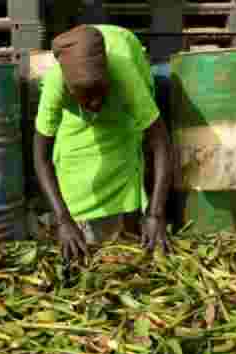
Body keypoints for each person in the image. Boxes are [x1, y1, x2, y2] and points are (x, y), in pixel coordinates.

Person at [33, 25, 173, 260]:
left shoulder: (125, 73)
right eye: (87, 98)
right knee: (71, 158)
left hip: (121, 107)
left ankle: (131, 226)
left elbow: (160, 143)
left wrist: (155, 214)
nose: (96, 103)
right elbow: (41, 157)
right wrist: (63, 219)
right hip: (76, 107)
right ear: (69, 88)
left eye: (101, 93)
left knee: (125, 155)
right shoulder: (56, 84)